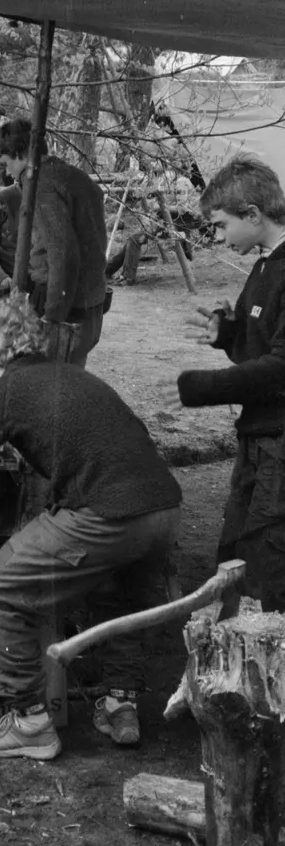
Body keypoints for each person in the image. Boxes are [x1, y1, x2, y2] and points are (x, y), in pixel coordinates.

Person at [0, 295, 181, 760]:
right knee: (117, 588)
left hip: (109, 513)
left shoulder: (7, 390)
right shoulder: (74, 376)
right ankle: (120, 703)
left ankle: (30, 720)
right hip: (163, 508)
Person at [172, 155, 285, 612]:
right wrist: (229, 334)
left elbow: (280, 368)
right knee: (235, 547)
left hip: (280, 441)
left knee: (266, 559)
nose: (218, 237)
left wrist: (202, 387)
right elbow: (258, 348)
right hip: (258, 435)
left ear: (253, 214)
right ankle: (231, 644)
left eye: (221, 225)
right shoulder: (263, 267)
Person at [0, 118, 108, 365]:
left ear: (20, 152)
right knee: (70, 375)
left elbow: (63, 252)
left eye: (6, 164)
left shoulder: (41, 185)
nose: (7, 173)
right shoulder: (75, 177)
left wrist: (52, 317)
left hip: (65, 304)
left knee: (45, 377)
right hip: (91, 301)